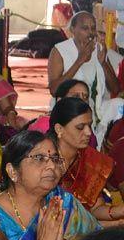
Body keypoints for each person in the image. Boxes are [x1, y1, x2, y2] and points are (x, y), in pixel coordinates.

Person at [49, 11, 120, 142]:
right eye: (85, 28)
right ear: (72, 30)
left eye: (93, 28)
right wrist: (80, 60)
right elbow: (54, 90)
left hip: (94, 108)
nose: (90, 32)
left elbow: (115, 89)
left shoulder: (98, 49)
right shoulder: (59, 50)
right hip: (67, 110)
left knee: (119, 104)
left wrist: (103, 62)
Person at [50, 96, 120, 224]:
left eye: (90, 125)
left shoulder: (90, 160)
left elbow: (96, 208)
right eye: (80, 127)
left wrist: (120, 211)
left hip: (79, 227)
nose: (88, 132)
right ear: (59, 129)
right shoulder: (44, 160)